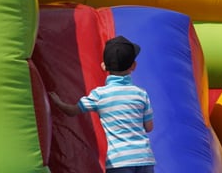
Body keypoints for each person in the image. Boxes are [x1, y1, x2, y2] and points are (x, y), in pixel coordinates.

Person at [49, 36, 155, 172]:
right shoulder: (141, 94)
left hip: (119, 161)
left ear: (103, 66)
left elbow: (72, 111)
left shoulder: (99, 95)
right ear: (133, 66)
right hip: (144, 158)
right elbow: (149, 127)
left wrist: (58, 102)